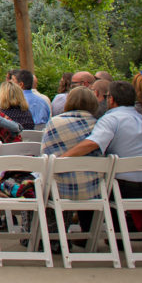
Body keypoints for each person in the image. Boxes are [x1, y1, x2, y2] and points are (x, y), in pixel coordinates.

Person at [61, 81, 142, 200]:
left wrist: (62, 159)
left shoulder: (111, 119)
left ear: (111, 99)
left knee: (89, 188)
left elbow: (92, 143)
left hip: (122, 188)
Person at [42, 86, 103, 230]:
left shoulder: (54, 123)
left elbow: (45, 157)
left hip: (60, 190)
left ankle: (50, 235)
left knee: (39, 180)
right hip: (94, 190)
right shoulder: (100, 126)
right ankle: (88, 236)